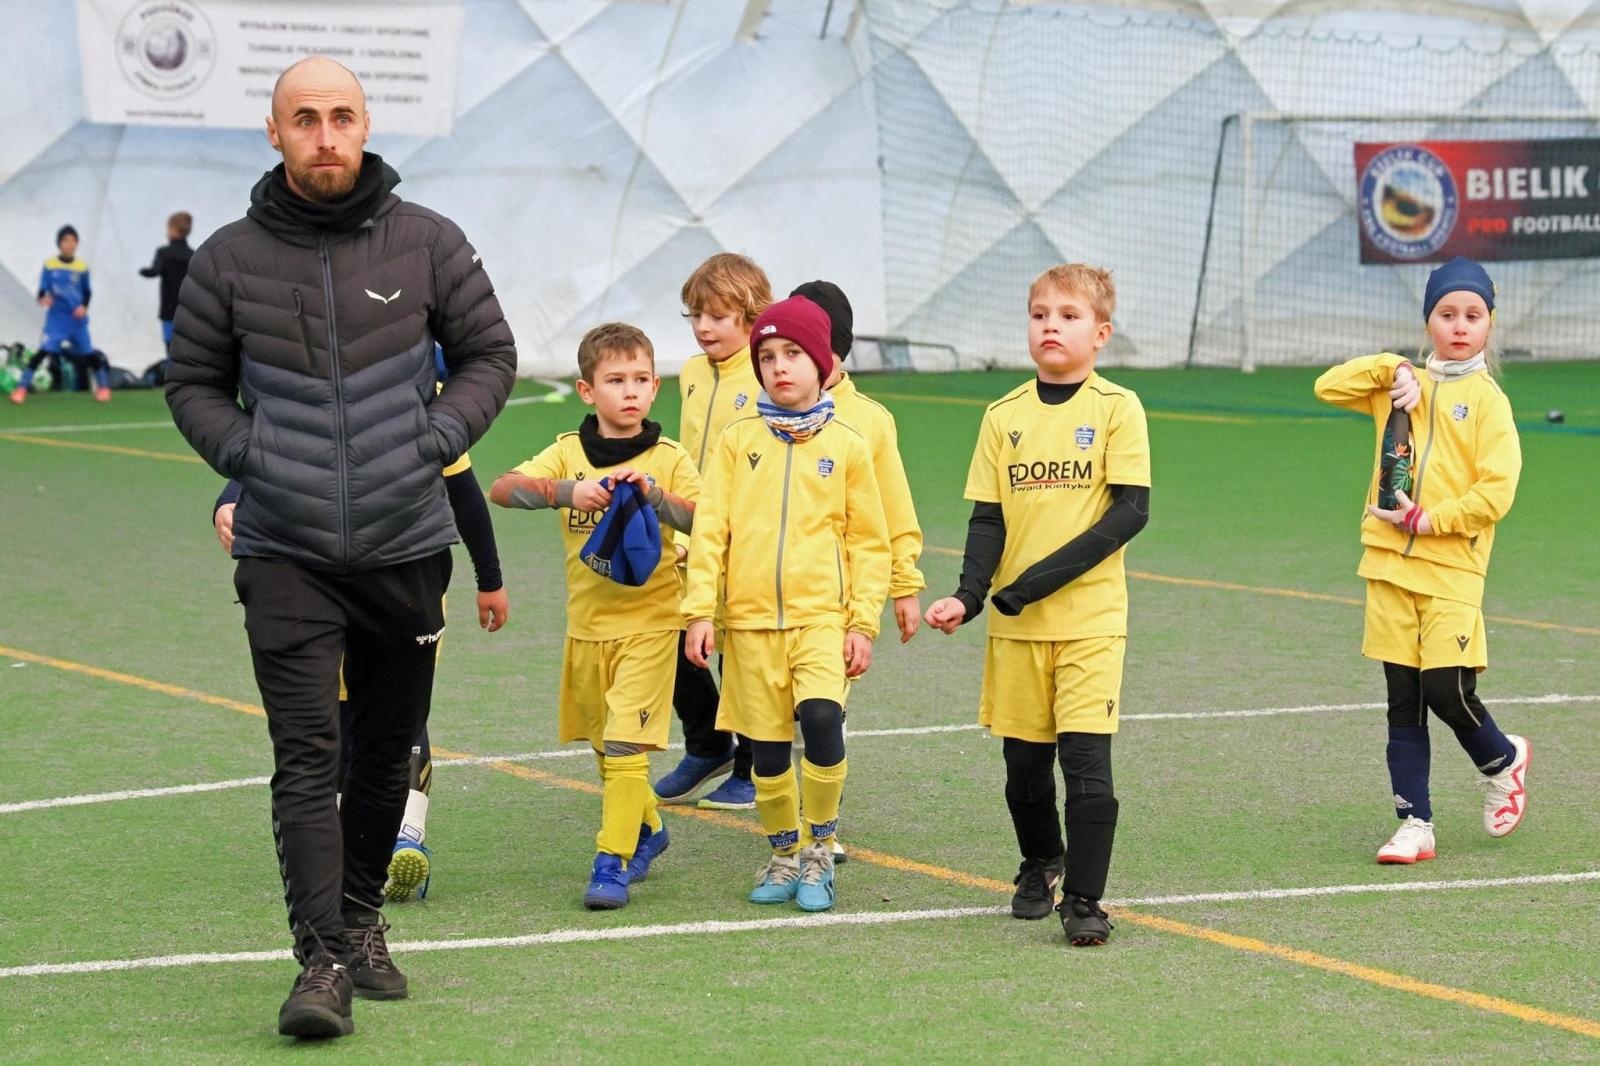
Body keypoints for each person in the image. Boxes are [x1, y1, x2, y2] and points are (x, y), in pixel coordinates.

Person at [165, 56, 516, 1040]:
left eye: (342, 116)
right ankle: (319, 959)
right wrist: (248, 453)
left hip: (407, 546)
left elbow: (490, 355)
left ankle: (361, 921)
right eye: (305, 118)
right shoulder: (228, 258)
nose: (326, 135)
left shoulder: (428, 242)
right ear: (274, 134)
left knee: (386, 753)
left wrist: (437, 437)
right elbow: (191, 380)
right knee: (306, 754)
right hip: (286, 549)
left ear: (365, 127)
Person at [925, 263, 1150, 947]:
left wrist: (1032, 585)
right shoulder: (1003, 417)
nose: (1050, 324)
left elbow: (1128, 515)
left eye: (1069, 315)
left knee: (1086, 763)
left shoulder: (1117, 408)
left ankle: (1084, 899)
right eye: (1039, 313)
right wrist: (969, 596)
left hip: (1089, 623)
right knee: (1023, 769)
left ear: (1101, 333)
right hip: (1017, 631)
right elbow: (987, 520)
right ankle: (1039, 860)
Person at [213, 434, 510, 904]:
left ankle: (406, 838)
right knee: (329, 713)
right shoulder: (310, 384)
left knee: (399, 711)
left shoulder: (424, 399)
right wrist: (227, 502)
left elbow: (464, 493)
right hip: (316, 580)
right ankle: (349, 844)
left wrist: (489, 579)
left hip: (406, 579)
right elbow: (263, 448)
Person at [1313, 256, 1529, 866]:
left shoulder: (1489, 403)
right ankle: (1415, 823)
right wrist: (1394, 369)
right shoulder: (1399, 385)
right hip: (1387, 565)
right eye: (1447, 314)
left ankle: (1503, 762)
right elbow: (1327, 386)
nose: (1460, 326)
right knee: (1402, 699)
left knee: (1446, 690)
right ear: (1428, 319)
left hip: (1453, 568)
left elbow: (1497, 491)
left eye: (1473, 315)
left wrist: (1431, 519)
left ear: (1490, 325)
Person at [683, 296, 890, 913]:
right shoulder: (736, 442)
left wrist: (862, 623)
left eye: (793, 354)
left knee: (823, 720)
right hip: (748, 627)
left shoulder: (849, 445)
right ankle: (782, 851)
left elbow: (868, 543)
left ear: (822, 362)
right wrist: (701, 610)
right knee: (767, 750)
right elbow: (711, 530)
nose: (779, 367)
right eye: (767, 356)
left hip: (821, 619)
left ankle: (821, 851)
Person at [490, 322, 698, 909]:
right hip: (586, 630)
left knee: (628, 748)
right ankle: (651, 831)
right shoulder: (567, 452)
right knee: (607, 753)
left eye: (640, 380)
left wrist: (657, 498)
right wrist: (566, 492)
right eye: (615, 380)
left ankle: (612, 861)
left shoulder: (670, 458)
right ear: (587, 391)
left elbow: (708, 521)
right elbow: (502, 489)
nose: (630, 391)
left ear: (656, 386)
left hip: (652, 625)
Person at [784, 280, 926, 863]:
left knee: (822, 710)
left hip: (839, 599)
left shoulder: (870, 422)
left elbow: (893, 507)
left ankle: (820, 831)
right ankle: (782, 817)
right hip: (764, 597)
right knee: (775, 717)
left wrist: (905, 584)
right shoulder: (766, 409)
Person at [653, 253, 774, 811]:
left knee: (742, 651)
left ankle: (753, 766)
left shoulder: (771, 373)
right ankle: (708, 745)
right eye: (695, 316)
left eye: (717, 317)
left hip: (747, 537)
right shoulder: (695, 373)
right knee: (671, 634)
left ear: (751, 314)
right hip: (689, 532)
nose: (703, 328)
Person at [10, 225, 111, 404]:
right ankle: (21, 388)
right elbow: (42, 289)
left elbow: (87, 291)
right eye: (66, 241)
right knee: (43, 351)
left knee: (88, 353)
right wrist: (43, 298)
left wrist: (83, 307)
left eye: (73, 241)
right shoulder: (50, 265)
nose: (70, 244)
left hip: (77, 320)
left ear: (77, 244)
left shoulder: (81, 266)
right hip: (57, 319)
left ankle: (103, 387)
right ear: (59, 243)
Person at [139, 211, 195, 355]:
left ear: (173, 229)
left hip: (168, 309)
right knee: (186, 346)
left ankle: (171, 374)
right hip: (187, 309)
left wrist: (143, 271)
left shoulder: (163, 253)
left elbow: (154, 271)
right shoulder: (193, 255)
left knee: (170, 345)